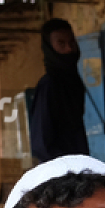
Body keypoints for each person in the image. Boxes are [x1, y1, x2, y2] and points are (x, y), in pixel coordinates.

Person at [29, 19, 90, 163]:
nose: (69, 49)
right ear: (50, 48)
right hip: (63, 173)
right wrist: (68, 172)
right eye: (61, 44)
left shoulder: (72, 82)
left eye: (72, 42)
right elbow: (41, 143)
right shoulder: (50, 85)